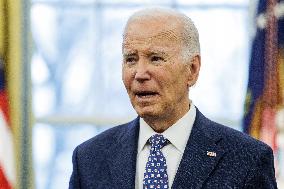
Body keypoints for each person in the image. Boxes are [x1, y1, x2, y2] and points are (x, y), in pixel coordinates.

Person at [69, 8, 277, 189]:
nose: (140, 73)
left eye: (156, 58)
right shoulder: (89, 158)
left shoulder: (247, 159)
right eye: (130, 59)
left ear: (192, 70)